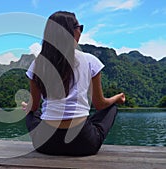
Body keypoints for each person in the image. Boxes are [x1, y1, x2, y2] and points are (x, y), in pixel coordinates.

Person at [22, 11, 125, 156]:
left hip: (46, 144)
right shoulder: (90, 61)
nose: (81, 32)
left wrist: (28, 107)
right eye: (80, 27)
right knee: (111, 108)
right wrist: (117, 98)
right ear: (72, 31)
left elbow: (33, 106)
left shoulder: (38, 64)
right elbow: (100, 104)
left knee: (31, 112)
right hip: (83, 144)